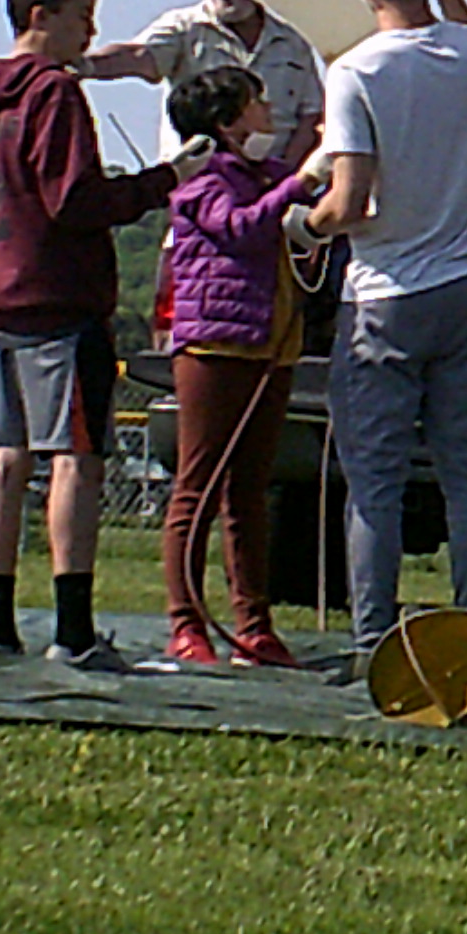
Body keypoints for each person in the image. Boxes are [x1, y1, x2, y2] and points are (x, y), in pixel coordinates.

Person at [295, 0, 467, 666]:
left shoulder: (356, 71)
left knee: (376, 481)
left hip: (386, 292)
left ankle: (374, 643)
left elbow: (351, 201)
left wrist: (306, 224)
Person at [0, 0, 180, 668]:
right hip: (61, 299)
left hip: (2, 300)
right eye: (81, 17)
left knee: (6, 457)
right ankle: (74, 633)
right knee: (76, 461)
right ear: (40, 16)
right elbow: (76, 202)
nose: (90, 32)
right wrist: (163, 183)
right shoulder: (55, 94)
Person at [153, 65, 310, 669]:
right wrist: (299, 188)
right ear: (226, 122)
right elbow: (241, 230)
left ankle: (254, 626)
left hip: (271, 345)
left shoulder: (265, 175)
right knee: (197, 487)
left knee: (249, 493)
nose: (268, 112)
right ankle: (186, 624)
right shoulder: (202, 182)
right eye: (256, 103)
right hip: (214, 348)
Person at [81, 0, 327, 166]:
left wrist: (281, 178)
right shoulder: (184, 27)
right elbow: (139, 56)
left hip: (274, 191)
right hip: (200, 179)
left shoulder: (293, 41)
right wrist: (84, 66)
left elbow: (311, 117)